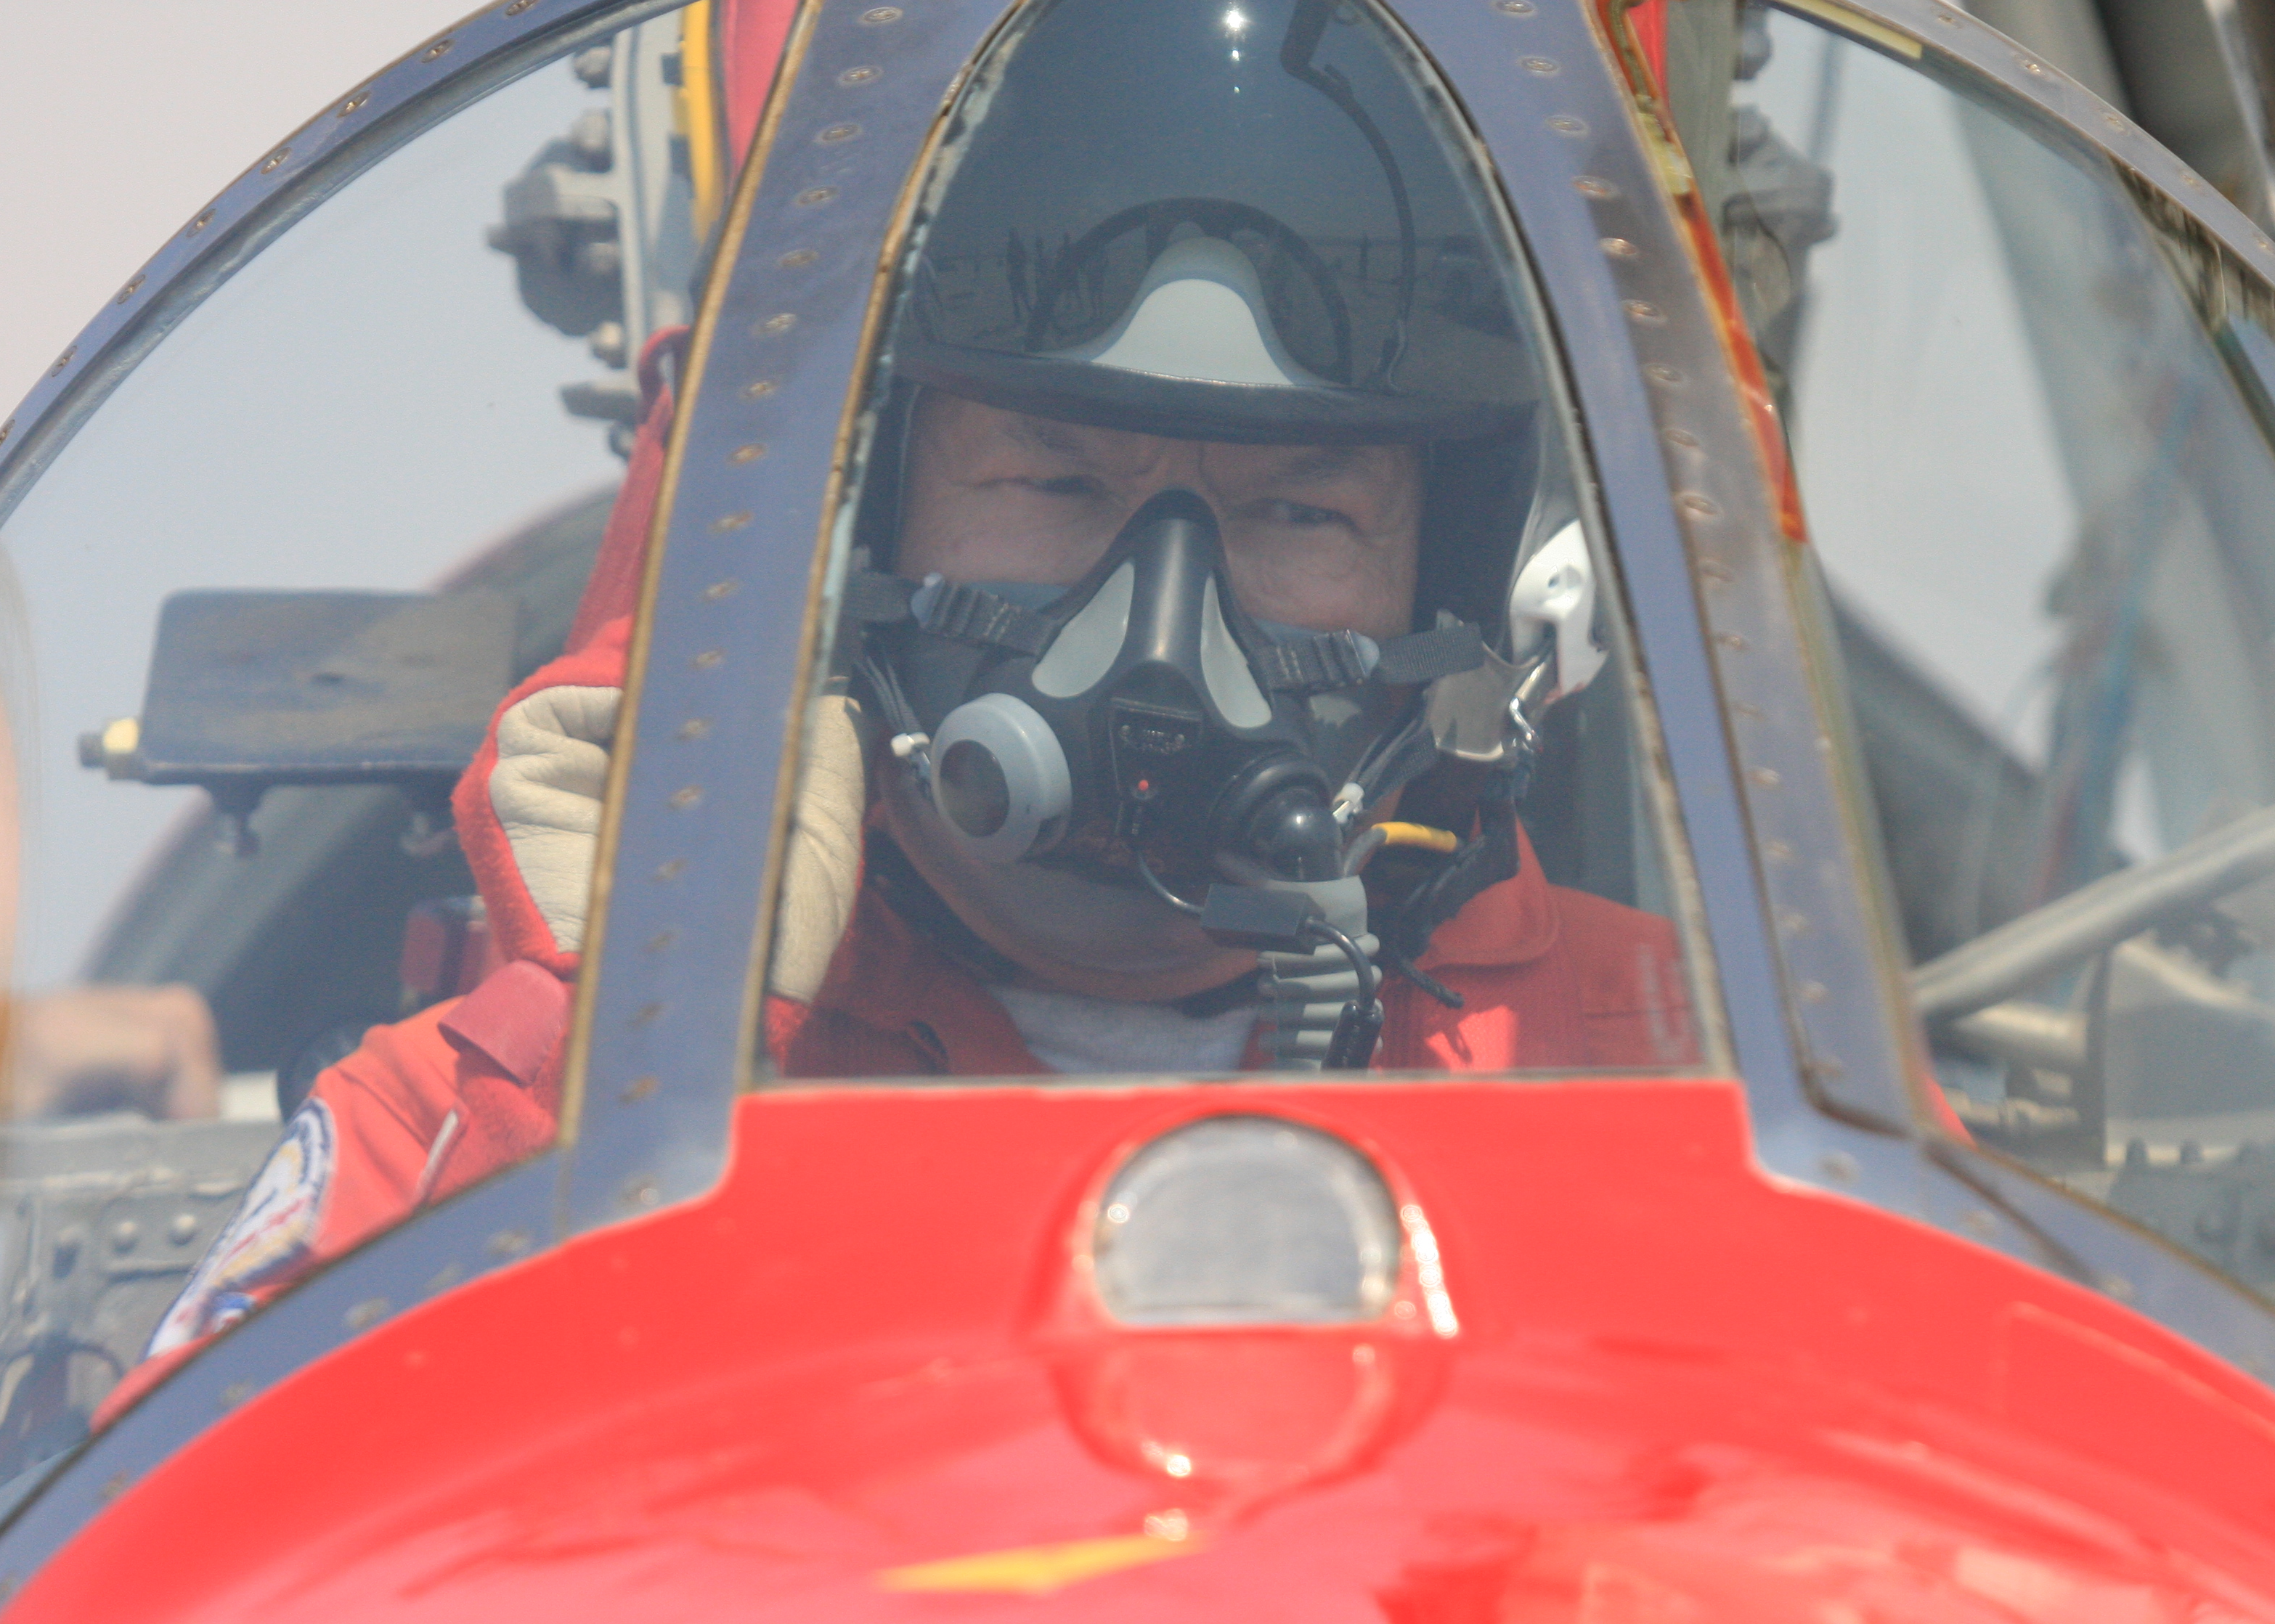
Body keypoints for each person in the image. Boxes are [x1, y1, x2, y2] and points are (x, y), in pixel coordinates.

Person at [115, 0, 1693, 1395]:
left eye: (1298, 513)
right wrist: (607, 1057)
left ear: (1464, 589)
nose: (1160, 631)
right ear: (857, 532)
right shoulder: (463, 1113)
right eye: (1055, 478)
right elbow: (198, 1605)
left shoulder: (1684, 1095)